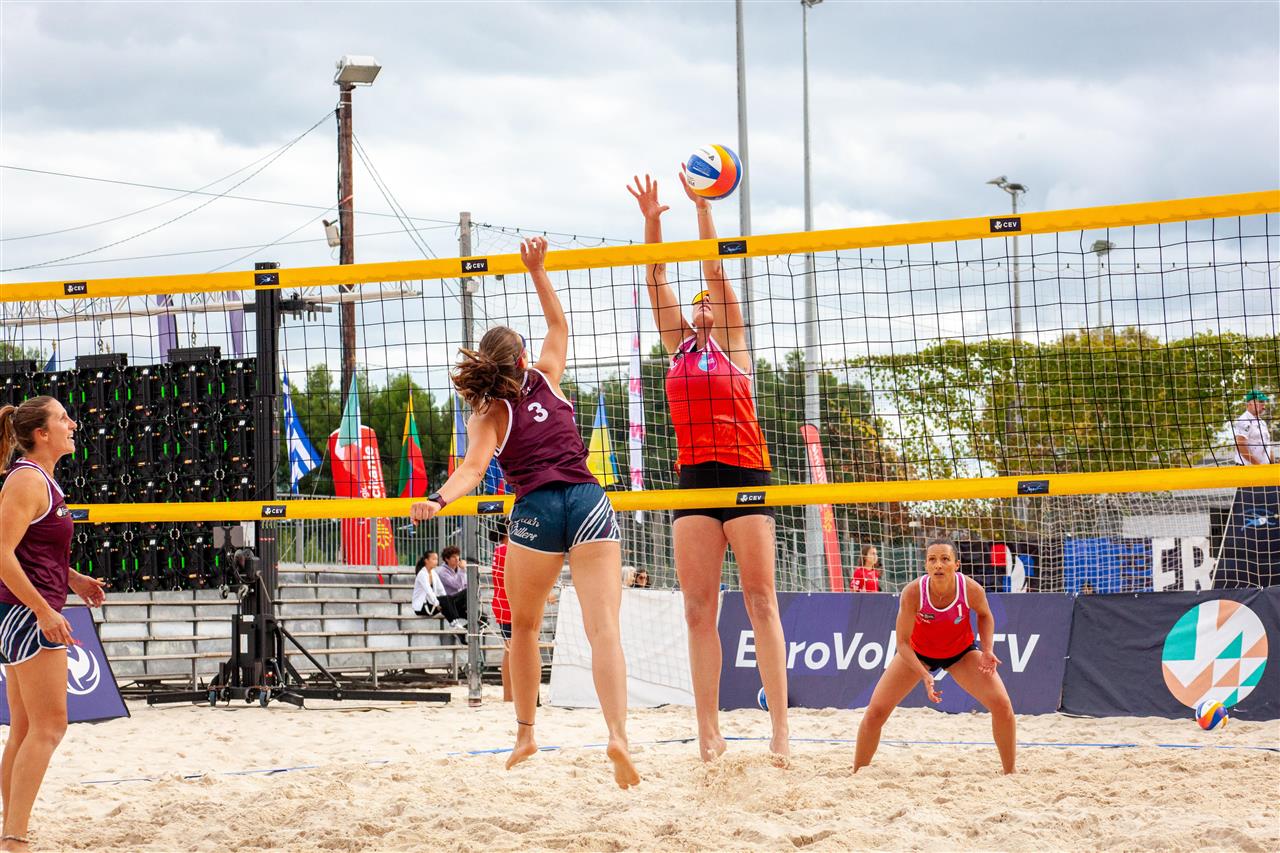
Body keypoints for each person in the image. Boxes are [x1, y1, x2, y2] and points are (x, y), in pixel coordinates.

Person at [410, 237, 640, 789]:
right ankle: (617, 735)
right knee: (604, 628)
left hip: (536, 510)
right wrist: (536, 269)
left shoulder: (486, 415)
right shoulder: (547, 377)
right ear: (520, 360)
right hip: (587, 500)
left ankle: (525, 734)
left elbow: (472, 471)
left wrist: (437, 500)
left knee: (525, 628)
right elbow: (558, 323)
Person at [628, 173, 789, 762]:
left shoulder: (736, 344)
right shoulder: (678, 347)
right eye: (695, 303)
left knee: (761, 602)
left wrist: (702, 210)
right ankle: (707, 731)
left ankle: (779, 730)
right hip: (694, 479)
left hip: (746, 475)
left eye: (708, 302)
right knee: (698, 610)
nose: (702, 306)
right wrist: (652, 221)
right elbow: (655, 277)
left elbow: (715, 271)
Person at [0, 398, 107, 851]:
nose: (73, 423)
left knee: (25, 728)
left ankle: (10, 829)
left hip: (22, 610)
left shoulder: (39, 478)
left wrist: (73, 579)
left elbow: (34, 553)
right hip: (28, 614)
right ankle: (15, 839)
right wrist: (44, 610)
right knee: (50, 727)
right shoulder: (27, 479)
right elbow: (1, 555)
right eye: (63, 418)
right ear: (41, 434)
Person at [853, 538, 1016, 775]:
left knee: (1002, 705)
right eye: (932, 559)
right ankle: (858, 774)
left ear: (956, 565)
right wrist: (923, 674)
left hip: (960, 653)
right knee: (875, 712)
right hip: (918, 654)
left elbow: (985, 615)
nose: (938, 564)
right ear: (926, 565)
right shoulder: (913, 592)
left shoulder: (971, 589)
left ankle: (1010, 773)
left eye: (945, 559)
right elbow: (902, 643)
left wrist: (987, 649)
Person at [489, 532, 513, 702]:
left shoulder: (499, 550)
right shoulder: (506, 550)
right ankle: (509, 696)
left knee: (510, 650)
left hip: (503, 603)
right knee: (512, 650)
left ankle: (509, 695)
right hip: (509, 603)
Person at [1233, 389, 1273, 466]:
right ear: (1250, 403)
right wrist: (1258, 465)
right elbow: (1240, 445)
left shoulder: (1262, 422)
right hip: (1247, 467)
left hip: (1264, 467)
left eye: (1264, 401)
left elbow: (1268, 446)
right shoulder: (1243, 420)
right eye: (1260, 401)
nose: (1263, 405)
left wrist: (1272, 464)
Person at [436, 546, 469, 628]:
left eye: (457, 556)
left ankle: (462, 632)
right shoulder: (442, 572)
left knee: (483, 618)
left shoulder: (459, 569)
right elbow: (457, 585)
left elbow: (466, 584)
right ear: (447, 559)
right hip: (450, 604)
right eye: (453, 557)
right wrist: (463, 570)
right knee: (468, 592)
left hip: (460, 604)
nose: (457, 558)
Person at [411, 550, 445, 617]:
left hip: (431, 604)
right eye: (434, 559)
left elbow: (441, 589)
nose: (436, 561)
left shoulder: (433, 573)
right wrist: (437, 603)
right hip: (422, 607)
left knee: (450, 602)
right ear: (426, 561)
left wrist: (446, 599)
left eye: (437, 559)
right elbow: (429, 591)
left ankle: (454, 621)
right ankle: (454, 621)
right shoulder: (422, 574)